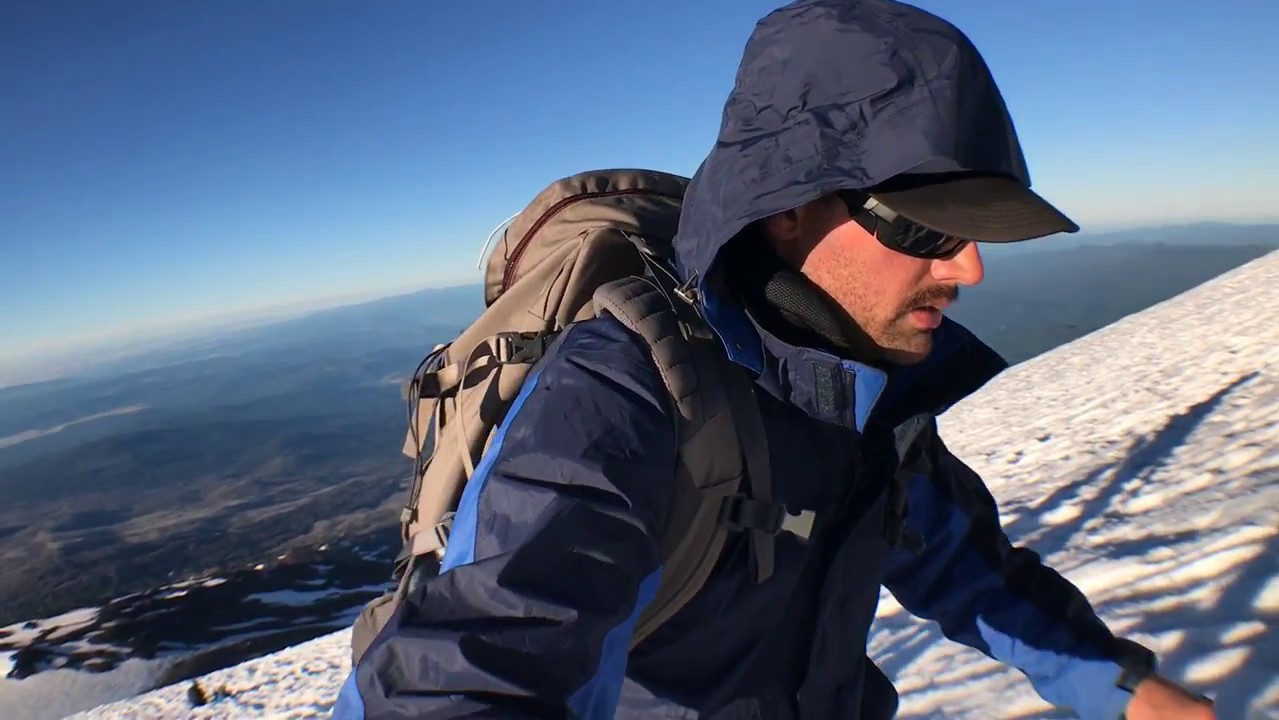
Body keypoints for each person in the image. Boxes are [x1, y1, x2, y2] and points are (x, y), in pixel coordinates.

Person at [333, 1, 1217, 718]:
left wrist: (1120, 688)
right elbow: (486, 656)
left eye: (975, 230)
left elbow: (960, 563)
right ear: (786, 209)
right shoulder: (625, 392)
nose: (969, 266)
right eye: (925, 228)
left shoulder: (869, 391)